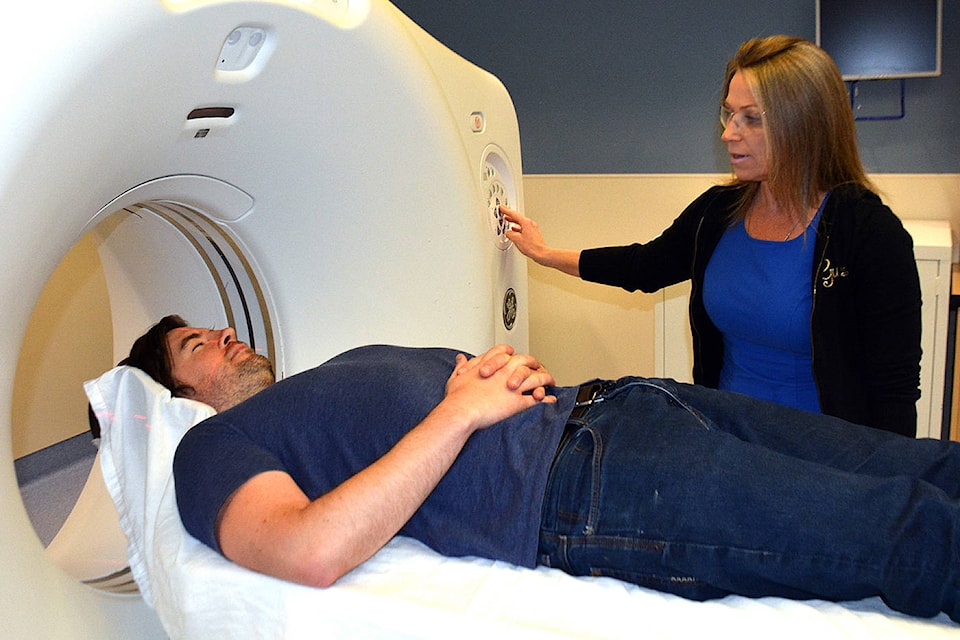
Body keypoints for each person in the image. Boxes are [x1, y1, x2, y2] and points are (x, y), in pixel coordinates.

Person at [122, 315, 960, 623]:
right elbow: (308, 549)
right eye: (198, 346)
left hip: (624, 404)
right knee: (901, 531)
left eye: (217, 326)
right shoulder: (210, 450)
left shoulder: (318, 378)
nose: (224, 336)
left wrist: (500, 376)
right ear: (178, 394)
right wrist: (460, 409)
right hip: (584, 489)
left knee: (921, 465)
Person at [500, 35, 921, 437]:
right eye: (729, 114)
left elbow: (894, 391)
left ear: (804, 124)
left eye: (751, 119)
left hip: (821, 458)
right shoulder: (719, 213)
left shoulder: (867, 233)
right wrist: (545, 253)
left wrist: (887, 492)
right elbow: (645, 266)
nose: (728, 133)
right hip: (726, 439)